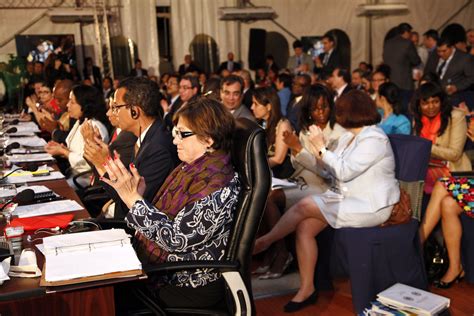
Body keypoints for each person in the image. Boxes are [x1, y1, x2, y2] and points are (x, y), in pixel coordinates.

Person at [254, 90, 399, 313]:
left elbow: (344, 171)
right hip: (345, 198)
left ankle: (267, 241)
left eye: (339, 110)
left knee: (305, 205)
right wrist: (311, 150)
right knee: (304, 227)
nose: (335, 115)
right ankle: (307, 288)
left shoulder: (375, 139)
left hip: (370, 206)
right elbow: (328, 171)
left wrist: (321, 147)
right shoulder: (348, 138)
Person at [101, 97, 241, 309]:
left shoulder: (217, 184)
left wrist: (133, 199)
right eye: (175, 133)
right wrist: (140, 196)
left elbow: (176, 239)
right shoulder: (192, 167)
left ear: (208, 139)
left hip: (186, 282)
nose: (175, 141)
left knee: (105, 297)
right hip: (168, 268)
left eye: (183, 134)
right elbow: (168, 221)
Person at [254, 84, 346, 280]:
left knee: (271, 198)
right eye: (315, 108)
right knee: (261, 194)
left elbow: (328, 172)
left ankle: (280, 253)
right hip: (300, 180)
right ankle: (274, 252)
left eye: (324, 107)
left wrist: (298, 149)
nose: (320, 112)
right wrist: (296, 150)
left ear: (331, 106)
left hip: (322, 187)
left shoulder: (337, 132)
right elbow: (297, 164)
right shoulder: (306, 130)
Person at [411, 82, 471, 194]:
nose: (431, 107)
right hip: (425, 169)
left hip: (452, 170)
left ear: (442, 102)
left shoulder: (455, 116)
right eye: (425, 103)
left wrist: (425, 146)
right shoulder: (418, 119)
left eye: (435, 102)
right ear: (419, 104)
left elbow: (455, 154)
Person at [44, 85, 110, 187]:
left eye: (72, 102)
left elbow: (87, 164)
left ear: (85, 105)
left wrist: (64, 152)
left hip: (86, 180)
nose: (67, 105)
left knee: (54, 187)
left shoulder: (93, 126)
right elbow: (76, 150)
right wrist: (60, 148)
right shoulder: (81, 121)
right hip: (74, 175)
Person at [251, 87, 293, 179]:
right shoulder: (261, 123)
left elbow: (279, 159)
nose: (252, 107)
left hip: (282, 175)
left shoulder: (283, 125)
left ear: (269, 106)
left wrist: (253, 168)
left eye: (256, 104)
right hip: (267, 172)